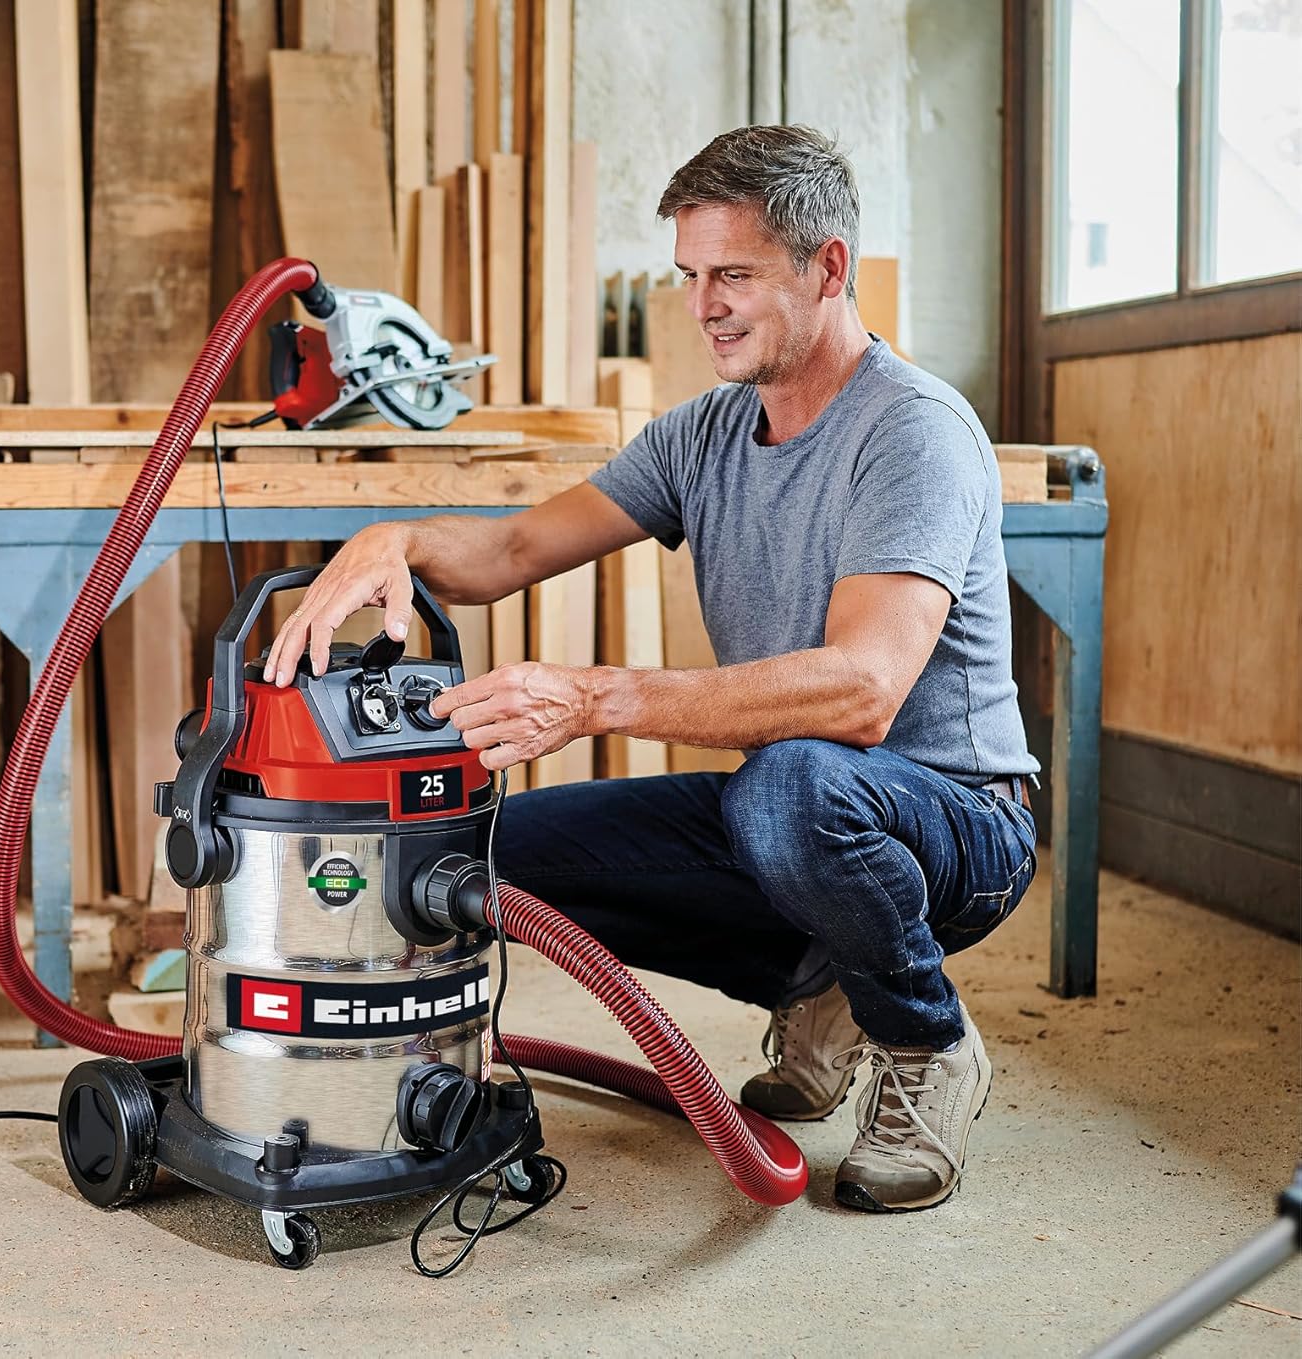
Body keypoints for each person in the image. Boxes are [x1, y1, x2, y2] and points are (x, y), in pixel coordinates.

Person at [263, 124, 1039, 1213]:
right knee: (483, 855)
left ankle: (925, 1037)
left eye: (734, 274)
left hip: (959, 819)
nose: (703, 304)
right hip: (800, 809)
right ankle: (824, 984)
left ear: (828, 267)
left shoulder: (913, 432)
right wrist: (401, 538)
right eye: (689, 276)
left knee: (792, 788)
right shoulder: (702, 438)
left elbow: (864, 692)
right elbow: (514, 551)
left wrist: (595, 696)